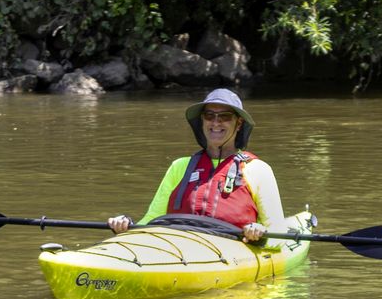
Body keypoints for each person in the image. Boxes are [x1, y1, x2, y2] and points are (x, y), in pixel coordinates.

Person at [108, 89, 286, 243]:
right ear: (202, 121)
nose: (216, 123)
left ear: (238, 123)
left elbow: (278, 237)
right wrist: (126, 227)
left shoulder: (258, 170)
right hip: (178, 246)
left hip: (235, 248)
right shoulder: (180, 166)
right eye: (209, 116)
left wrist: (260, 233)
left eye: (225, 116)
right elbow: (151, 219)